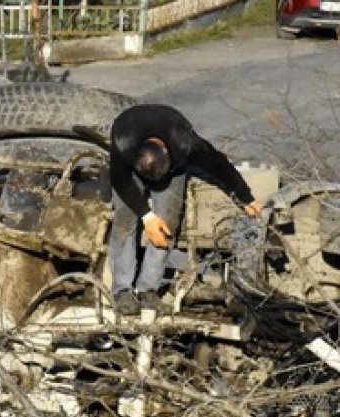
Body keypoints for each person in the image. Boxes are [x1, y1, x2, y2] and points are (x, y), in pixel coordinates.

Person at [79, 105, 262, 316]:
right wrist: (147, 216)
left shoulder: (185, 143)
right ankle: (122, 291)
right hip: (132, 169)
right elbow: (121, 181)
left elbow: (218, 164)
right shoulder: (124, 143)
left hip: (172, 171)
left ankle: (148, 290)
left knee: (167, 224)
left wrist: (245, 197)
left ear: (167, 152)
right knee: (124, 222)